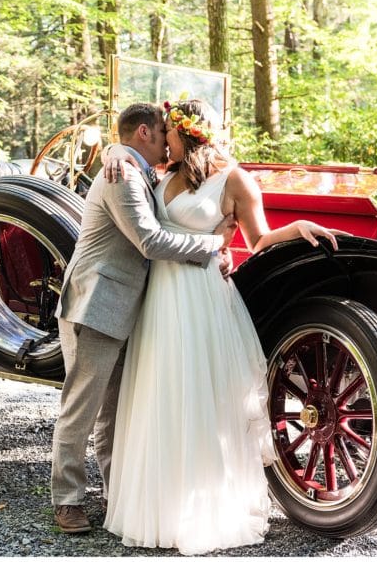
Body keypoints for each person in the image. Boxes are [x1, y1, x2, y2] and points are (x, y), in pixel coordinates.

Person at [101, 99, 345, 555]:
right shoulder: (162, 175)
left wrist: (298, 228)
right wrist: (113, 151)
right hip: (158, 300)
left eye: (167, 130)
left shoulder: (234, 180)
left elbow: (258, 239)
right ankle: (157, 509)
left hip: (202, 300)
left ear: (185, 132)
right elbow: (132, 176)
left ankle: (201, 511)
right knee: (161, 397)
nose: (160, 138)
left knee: (202, 400)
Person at [49, 102, 236, 535]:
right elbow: (149, 241)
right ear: (145, 134)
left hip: (128, 306)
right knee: (81, 408)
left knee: (112, 413)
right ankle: (67, 500)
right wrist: (212, 246)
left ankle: (119, 496)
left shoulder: (138, 168)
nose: (169, 139)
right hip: (96, 303)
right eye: (164, 131)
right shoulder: (123, 175)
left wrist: (115, 148)